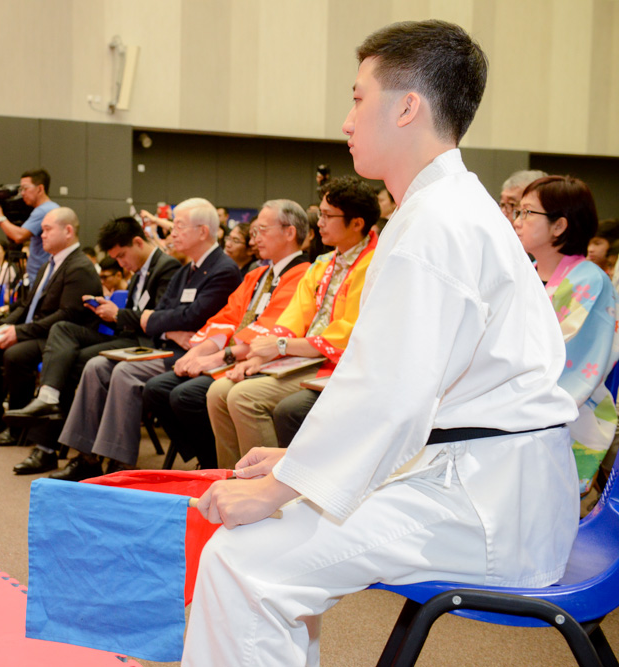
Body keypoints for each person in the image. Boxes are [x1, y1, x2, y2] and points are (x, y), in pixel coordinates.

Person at [184, 21, 581, 666]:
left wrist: (280, 488)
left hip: (484, 504)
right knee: (258, 550)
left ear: (406, 108)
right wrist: (294, 467)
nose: (346, 121)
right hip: (476, 475)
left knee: (242, 561)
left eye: (357, 98)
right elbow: (401, 391)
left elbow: (390, 396)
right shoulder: (446, 206)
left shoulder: (438, 223)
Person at [48, 198, 241, 477]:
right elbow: (165, 314)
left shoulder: (224, 270)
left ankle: (120, 465)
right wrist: (166, 324)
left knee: (125, 373)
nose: (172, 233)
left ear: (202, 231)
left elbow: (191, 317)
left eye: (179, 226)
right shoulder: (186, 270)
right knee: (96, 366)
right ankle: (86, 459)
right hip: (166, 345)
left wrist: (158, 321)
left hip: (191, 352)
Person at [206, 175, 379, 468]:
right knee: (218, 392)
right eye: (320, 214)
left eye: (327, 216)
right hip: (303, 356)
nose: (319, 223)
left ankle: (264, 480)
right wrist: (263, 355)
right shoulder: (323, 263)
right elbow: (293, 318)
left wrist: (281, 347)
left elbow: (347, 335)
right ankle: (232, 477)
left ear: (357, 223)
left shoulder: (375, 265)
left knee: (244, 398)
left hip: (338, 365)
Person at [134, 199, 312, 476]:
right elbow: (226, 317)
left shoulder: (304, 274)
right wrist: (198, 352)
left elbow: (271, 330)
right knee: (158, 388)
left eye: (262, 230)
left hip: (266, 359)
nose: (254, 239)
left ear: (290, 232)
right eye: (254, 231)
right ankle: (214, 465)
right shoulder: (257, 274)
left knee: (186, 395)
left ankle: (228, 470)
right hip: (234, 355)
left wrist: (219, 356)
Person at [0, 216, 180, 455]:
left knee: (70, 363)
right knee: (62, 328)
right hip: (126, 336)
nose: (121, 263)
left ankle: (50, 447)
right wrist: (106, 313)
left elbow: (158, 319)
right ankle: (48, 398)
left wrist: (117, 314)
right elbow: (133, 317)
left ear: (138, 242)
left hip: (145, 344)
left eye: (122, 256)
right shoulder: (138, 272)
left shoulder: (166, 268)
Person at [0, 208, 101, 444]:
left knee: (15, 355)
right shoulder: (48, 265)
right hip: (37, 331)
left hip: (60, 340)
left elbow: (67, 316)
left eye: (47, 230)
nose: (41, 235)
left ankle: (18, 427)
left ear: (68, 231)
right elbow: (25, 306)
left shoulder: (79, 267)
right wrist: (0, 325)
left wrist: (18, 333)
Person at [514, 175, 619, 495]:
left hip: (563, 419)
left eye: (527, 212)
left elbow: (572, 363)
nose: (517, 221)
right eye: (517, 211)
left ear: (559, 226)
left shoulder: (590, 281)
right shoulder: (523, 273)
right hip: (518, 411)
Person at [0, 169, 58, 287]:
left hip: (42, 279)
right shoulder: (49, 208)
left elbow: (18, 236)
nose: (22, 193)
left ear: (40, 189)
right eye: (20, 189)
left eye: (25, 188)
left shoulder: (43, 210)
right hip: (41, 277)